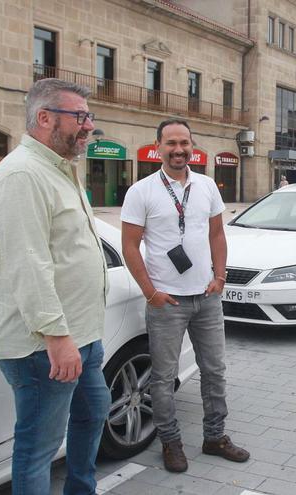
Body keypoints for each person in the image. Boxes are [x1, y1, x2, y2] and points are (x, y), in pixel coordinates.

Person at [0, 78, 110, 494]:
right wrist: (57, 337)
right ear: (44, 118)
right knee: (38, 448)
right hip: (45, 346)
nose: (89, 126)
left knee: (94, 413)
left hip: (83, 337)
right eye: (80, 116)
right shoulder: (22, 174)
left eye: (88, 116)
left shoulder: (59, 169)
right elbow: (28, 264)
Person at [120, 118, 249, 473]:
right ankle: (170, 442)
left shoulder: (206, 186)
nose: (178, 150)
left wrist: (220, 278)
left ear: (193, 146)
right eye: (171, 143)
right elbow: (130, 246)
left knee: (215, 371)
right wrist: (151, 292)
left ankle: (215, 437)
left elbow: (217, 236)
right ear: (158, 146)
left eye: (184, 143)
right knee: (163, 377)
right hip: (167, 302)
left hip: (207, 298)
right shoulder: (141, 191)